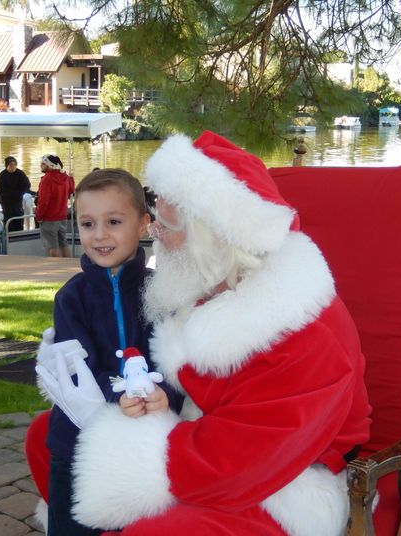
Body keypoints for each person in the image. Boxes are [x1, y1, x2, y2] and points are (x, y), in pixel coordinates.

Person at [33, 131, 372, 535]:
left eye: (165, 222)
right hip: (212, 435)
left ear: (210, 232)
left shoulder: (304, 332)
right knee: (47, 437)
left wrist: (112, 433)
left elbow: (236, 462)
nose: (154, 232)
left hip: (287, 480)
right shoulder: (212, 279)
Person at [37, 168, 183, 535]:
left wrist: (165, 394)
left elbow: (178, 359)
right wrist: (119, 393)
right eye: (87, 224)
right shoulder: (71, 298)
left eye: (114, 221)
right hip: (77, 443)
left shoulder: (162, 293)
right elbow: (75, 367)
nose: (99, 235)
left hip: (146, 445)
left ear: (143, 224)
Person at [35, 154, 75, 257]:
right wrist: (71, 179)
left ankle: (53, 268)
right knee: (63, 243)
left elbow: (43, 202)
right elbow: (71, 190)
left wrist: (39, 216)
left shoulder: (46, 180)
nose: (41, 165)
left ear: (49, 165)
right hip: (62, 216)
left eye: (43, 164)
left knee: (52, 246)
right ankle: (67, 266)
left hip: (49, 218)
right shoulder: (65, 177)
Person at [0, 155, 31, 232]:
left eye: (14, 164)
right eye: (11, 164)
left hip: (17, 203)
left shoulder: (20, 173)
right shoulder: (2, 175)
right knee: (9, 224)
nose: (13, 166)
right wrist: (10, 194)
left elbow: (27, 185)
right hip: (6, 204)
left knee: (19, 222)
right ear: (7, 165)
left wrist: (18, 193)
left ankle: (19, 238)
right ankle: (9, 238)